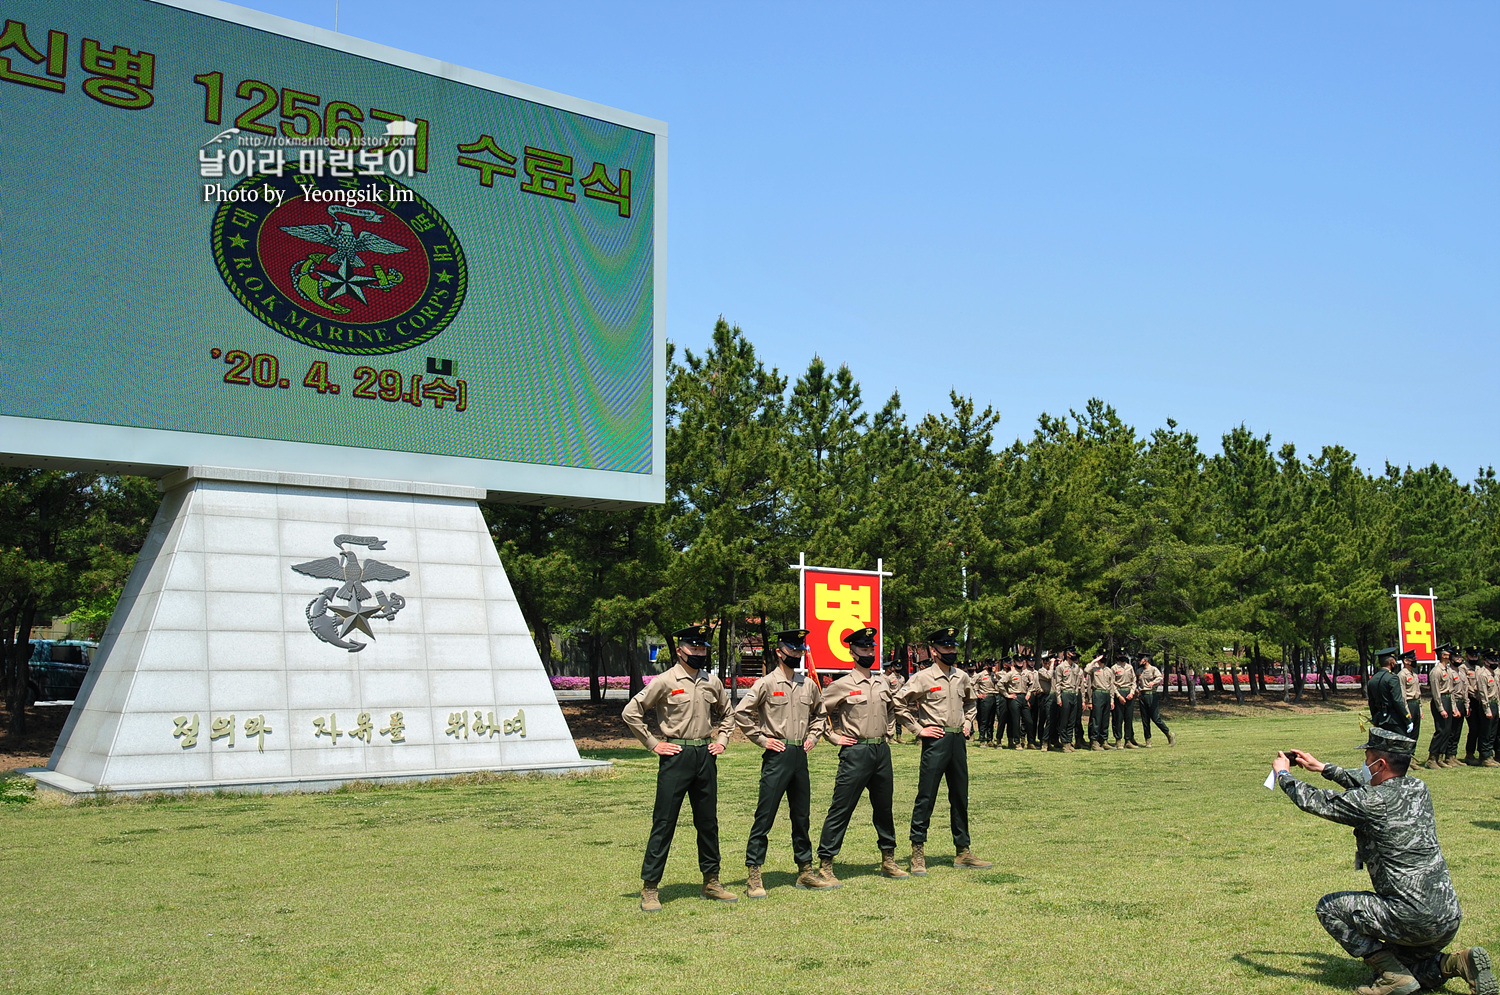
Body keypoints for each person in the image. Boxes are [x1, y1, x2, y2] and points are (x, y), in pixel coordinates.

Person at [1273, 727, 1493, 995]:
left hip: (1411, 918)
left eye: (1367, 760)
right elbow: (1369, 784)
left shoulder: (1372, 801)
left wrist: (1283, 774)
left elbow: (1317, 801)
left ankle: (1392, 977)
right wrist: (1324, 768)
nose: (1364, 766)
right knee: (1409, 965)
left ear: (1380, 764)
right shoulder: (1417, 788)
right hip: (1447, 917)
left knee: (1329, 908)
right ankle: (1456, 963)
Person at [622, 624, 740, 910]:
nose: (699, 653)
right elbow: (631, 712)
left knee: (708, 823)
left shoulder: (712, 682)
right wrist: (654, 744)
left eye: (702, 648)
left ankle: (712, 881)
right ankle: (650, 888)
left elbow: (728, 714)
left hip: (705, 757)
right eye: (694, 648)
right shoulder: (664, 681)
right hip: (676, 757)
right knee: (664, 823)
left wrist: (722, 740)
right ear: (680, 650)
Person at [734, 628, 829, 897]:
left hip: (800, 756)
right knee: (765, 816)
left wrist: (813, 737)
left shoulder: (808, 685)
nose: (797, 654)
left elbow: (820, 715)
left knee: (802, 816)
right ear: (779, 652)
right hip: (777, 756)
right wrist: (763, 740)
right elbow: (742, 713)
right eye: (792, 649)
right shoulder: (766, 684)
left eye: (800, 650)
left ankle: (805, 870)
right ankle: (754, 873)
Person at [894, 626, 992, 873]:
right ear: (934, 651)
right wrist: (918, 729)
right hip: (935, 741)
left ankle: (963, 851)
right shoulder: (923, 678)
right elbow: (898, 702)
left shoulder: (962, 676)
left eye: (953, 646)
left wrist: (968, 722)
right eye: (946, 647)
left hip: (957, 740)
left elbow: (970, 702)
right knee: (926, 795)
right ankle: (917, 851)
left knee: (959, 796)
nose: (952, 651)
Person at [816, 626, 909, 882]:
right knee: (841, 808)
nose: (869, 652)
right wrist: (833, 736)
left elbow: (892, 708)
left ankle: (888, 859)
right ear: (852, 651)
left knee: (884, 808)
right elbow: (818, 711)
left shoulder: (881, 682)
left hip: (881, 752)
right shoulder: (841, 685)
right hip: (855, 752)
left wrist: (889, 730)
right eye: (864, 648)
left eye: (872, 648)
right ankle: (826, 863)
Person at [1368, 647, 1411, 736]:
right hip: (1393, 719)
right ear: (1391, 663)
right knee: (1400, 746)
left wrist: (1375, 718)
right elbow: (1397, 701)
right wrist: (1407, 720)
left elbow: (1371, 702)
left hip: (1380, 718)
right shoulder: (1392, 678)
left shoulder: (1372, 679)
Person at [1136, 653, 1175, 746]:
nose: (1139, 661)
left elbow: (1159, 677)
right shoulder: (1139, 671)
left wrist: (1153, 682)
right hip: (1143, 695)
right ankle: (1148, 740)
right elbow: (1137, 682)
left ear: (1146, 660)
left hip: (1151, 695)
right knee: (1145, 719)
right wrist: (1137, 690)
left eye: (1140, 659)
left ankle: (1169, 734)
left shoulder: (1153, 669)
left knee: (1156, 718)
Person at [1085, 652, 1114, 750]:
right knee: (1096, 718)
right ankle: (1094, 741)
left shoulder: (1109, 670)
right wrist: (1095, 661)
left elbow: (1111, 685)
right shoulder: (1094, 668)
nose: (1104, 658)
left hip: (1106, 694)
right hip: (1097, 693)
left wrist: (1112, 700)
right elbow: (1086, 670)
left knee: (1105, 719)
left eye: (1105, 656)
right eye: (1102, 656)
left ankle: (1104, 740)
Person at [1113, 652, 1139, 748]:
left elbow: (1134, 681)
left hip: (1129, 693)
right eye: (1121, 655)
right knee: (1118, 719)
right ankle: (1118, 740)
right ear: (1118, 656)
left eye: (1124, 655)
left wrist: (1132, 692)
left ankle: (1128, 740)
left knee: (1128, 718)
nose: (1123, 657)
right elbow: (1112, 684)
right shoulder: (1114, 668)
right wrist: (1119, 696)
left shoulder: (1130, 667)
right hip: (1119, 693)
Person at [1398, 651, 1423, 745]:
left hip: (1416, 703)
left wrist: (1420, 709)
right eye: (1413, 660)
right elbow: (1403, 694)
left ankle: (1412, 752)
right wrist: (1406, 710)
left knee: (1416, 732)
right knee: (1409, 730)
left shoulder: (1414, 674)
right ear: (1406, 661)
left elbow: (1418, 692)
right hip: (1409, 703)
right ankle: (1406, 754)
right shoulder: (1402, 675)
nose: (1414, 661)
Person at [974, 661, 999, 746]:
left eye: (993, 665)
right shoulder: (981, 675)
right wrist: (977, 695)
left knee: (991, 720)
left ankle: (990, 739)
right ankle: (982, 739)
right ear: (986, 665)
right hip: (985, 698)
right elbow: (972, 684)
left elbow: (999, 682)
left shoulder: (994, 675)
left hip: (994, 696)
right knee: (984, 720)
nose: (992, 666)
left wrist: (996, 674)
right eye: (990, 664)